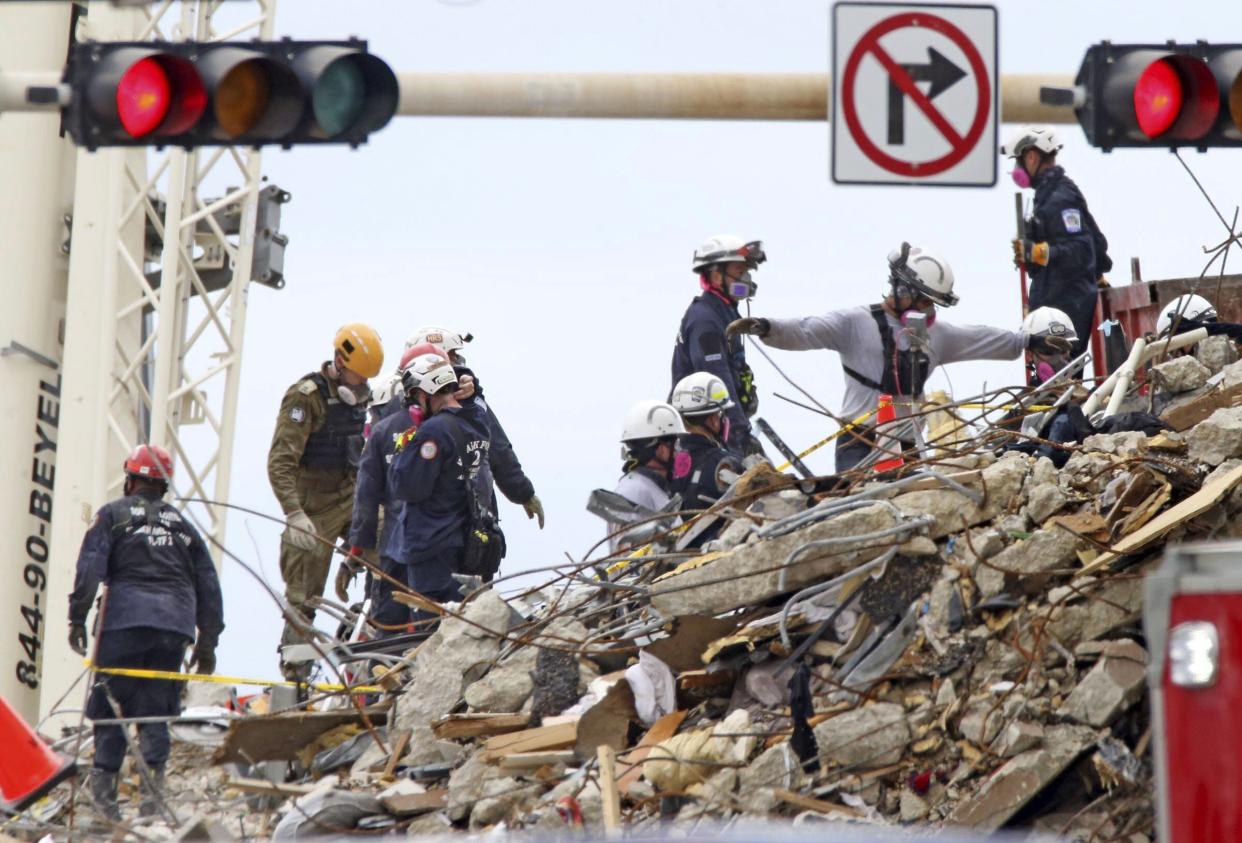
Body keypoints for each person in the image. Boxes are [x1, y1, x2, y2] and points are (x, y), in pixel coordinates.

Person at [727, 243, 1070, 472]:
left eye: (934, 304)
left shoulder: (937, 335)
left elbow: (985, 337)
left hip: (908, 446)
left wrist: (1031, 340)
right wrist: (764, 326)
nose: (929, 311)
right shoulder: (855, 324)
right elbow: (804, 329)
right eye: (924, 301)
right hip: (860, 444)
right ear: (902, 290)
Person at [67, 445, 223, 820]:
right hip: (173, 626)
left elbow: (89, 571)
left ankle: (107, 813)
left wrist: (77, 618)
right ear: (164, 485)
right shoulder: (184, 528)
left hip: (123, 623)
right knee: (156, 709)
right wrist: (207, 642)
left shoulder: (112, 516)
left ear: (130, 479)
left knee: (110, 710)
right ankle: (152, 811)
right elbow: (209, 584)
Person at [267, 323, 383, 678]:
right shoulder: (305, 398)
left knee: (388, 541)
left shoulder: (358, 398)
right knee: (304, 595)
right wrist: (294, 514)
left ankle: (377, 624)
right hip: (312, 508)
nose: (362, 385)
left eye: (367, 380)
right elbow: (280, 462)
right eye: (358, 377)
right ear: (338, 361)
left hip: (349, 496)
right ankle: (297, 670)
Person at [339, 342, 445, 636]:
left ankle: (385, 669)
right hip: (439, 547)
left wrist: (356, 550)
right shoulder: (453, 426)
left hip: (396, 548)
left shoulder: (383, 434)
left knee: (388, 625)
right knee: (431, 625)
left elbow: (366, 499)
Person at [407, 325, 544, 530]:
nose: (456, 362)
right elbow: (497, 448)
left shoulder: (399, 406)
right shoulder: (468, 403)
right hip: (467, 522)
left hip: (416, 532)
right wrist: (523, 493)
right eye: (451, 355)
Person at [387, 352, 495, 610]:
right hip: (465, 543)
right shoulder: (477, 421)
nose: (413, 404)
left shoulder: (433, 431)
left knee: (431, 630)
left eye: (415, 396)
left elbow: (407, 486)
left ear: (427, 393)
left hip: (433, 547)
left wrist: (405, 449)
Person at [1002, 126, 1112, 355]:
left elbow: (1082, 249)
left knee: (1058, 373)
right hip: (1059, 300)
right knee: (1055, 377)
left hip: (1066, 304)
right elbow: (1096, 245)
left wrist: (1039, 252)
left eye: (1018, 162)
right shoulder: (1050, 196)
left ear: (1031, 157)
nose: (1017, 170)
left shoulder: (1060, 199)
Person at [671, 235, 767, 456]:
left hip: (722, 430)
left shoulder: (723, 312)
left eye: (746, 271)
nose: (746, 278)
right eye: (739, 271)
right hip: (705, 437)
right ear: (715, 276)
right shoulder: (706, 321)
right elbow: (717, 381)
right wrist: (742, 435)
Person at [669, 372, 744, 546]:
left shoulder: (668, 464)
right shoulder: (726, 463)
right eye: (721, 414)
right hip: (717, 554)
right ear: (713, 419)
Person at [608, 400, 686, 553]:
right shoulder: (635, 491)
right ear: (662, 450)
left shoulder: (652, 487)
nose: (679, 452)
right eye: (675, 444)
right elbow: (627, 556)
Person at [1023, 306, 1078, 385]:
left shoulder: (1091, 396)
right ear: (1030, 354)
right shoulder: (1025, 397)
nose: (1059, 359)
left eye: (1063, 350)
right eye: (1048, 351)